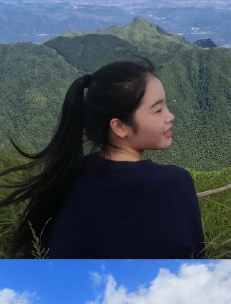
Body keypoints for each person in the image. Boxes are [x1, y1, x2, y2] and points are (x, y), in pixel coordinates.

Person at [2, 56, 205, 260]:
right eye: (158, 109)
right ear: (119, 127)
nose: (170, 116)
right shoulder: (175, 185)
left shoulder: (64, 177)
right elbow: (194, 263)